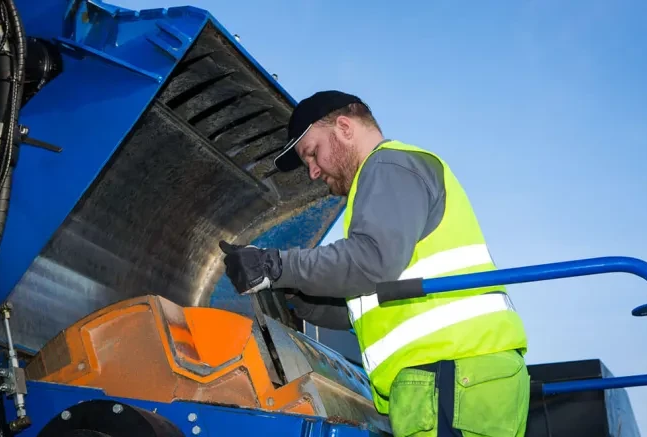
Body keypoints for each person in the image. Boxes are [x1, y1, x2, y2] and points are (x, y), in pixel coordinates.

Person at [219, 90, 530, 437]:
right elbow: (375, 297)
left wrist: (275, 266)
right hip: (460, 379)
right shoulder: (392, 179)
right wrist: (299, 295)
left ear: (344, 127)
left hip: (449, 378)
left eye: (313, 153)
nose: (313, 172)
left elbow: (371, 262)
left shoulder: (387, 166)